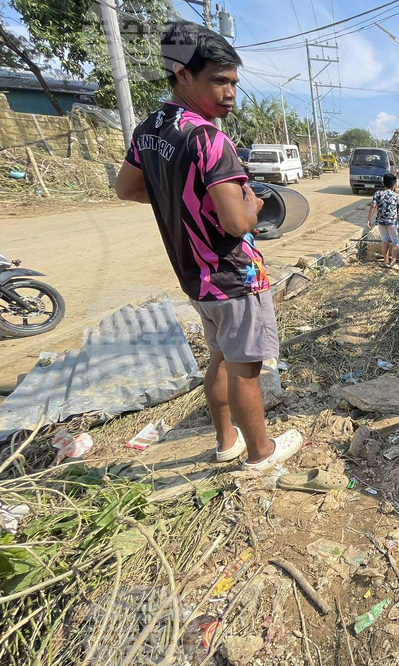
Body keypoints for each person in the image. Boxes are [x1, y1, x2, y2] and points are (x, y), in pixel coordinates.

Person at [113, 21, 301, 471]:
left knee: (218, 358)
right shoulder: (209, 138)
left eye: (234, 81)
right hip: (234, 274)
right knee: (246, 369)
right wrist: (252, 205)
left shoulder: (149, 130)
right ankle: (261, 454)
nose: (230, 92)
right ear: (182, 74)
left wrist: (183, 203)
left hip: (194, 276)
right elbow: (237, 223)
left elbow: (128, 188)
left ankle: (225, 441)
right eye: (218, 80)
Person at [368, 174, 399, 267]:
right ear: (394, 185)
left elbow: (373, 206)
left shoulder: (378, 194)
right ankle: (393, 262)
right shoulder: (396, 196)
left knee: (384, 241)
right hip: (392, 222)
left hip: (381, 222)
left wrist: (369, 219)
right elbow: (398, 210)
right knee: (395, 241)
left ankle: (386, 261)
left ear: (384, 183)